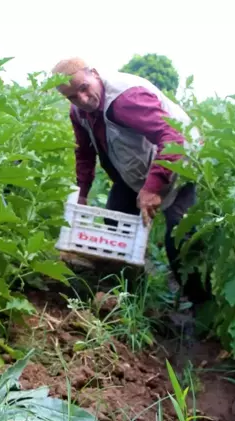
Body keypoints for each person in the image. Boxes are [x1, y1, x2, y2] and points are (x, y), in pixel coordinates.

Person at [51, 57, 212, 313]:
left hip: (180, 162)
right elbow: (84, 153)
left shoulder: (126, 100)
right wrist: (82, 194)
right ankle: (132, 293)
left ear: (94, 73)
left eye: (83, 88)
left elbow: (173, 139)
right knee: (115, 221)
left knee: (179, 236)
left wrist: (153, 187)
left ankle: (201, 306)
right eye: (72, 97)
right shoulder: (79, 113)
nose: (81, 99)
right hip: (136, 165)